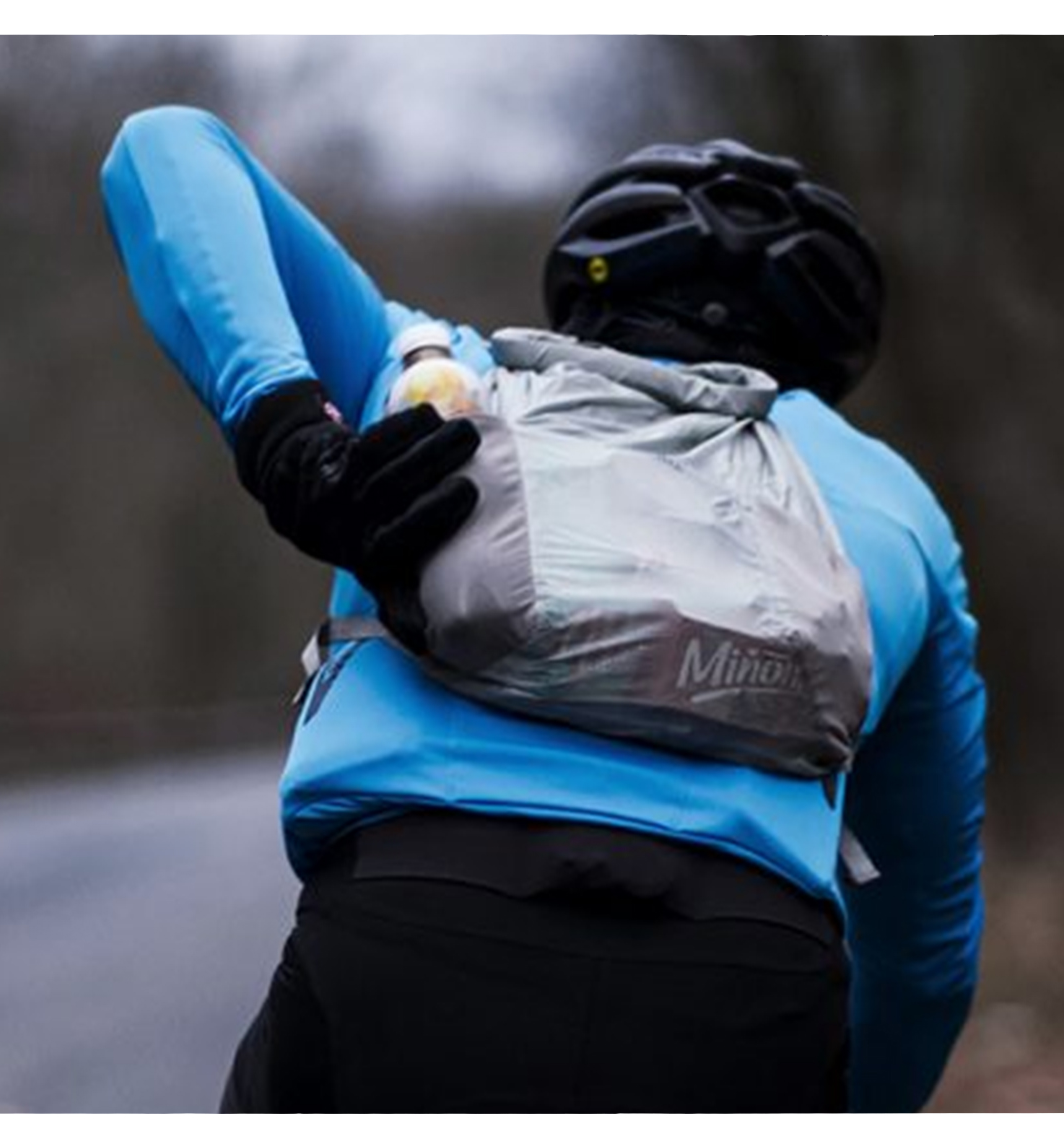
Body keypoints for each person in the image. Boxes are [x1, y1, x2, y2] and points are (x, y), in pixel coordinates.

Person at [100, 105, 988, 1114]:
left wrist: (282, 426)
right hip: (750, 991)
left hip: (410, 935)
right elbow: (925, 947)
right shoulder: (894, 505)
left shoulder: (445, 376)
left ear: (588, 298)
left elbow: (164, 149)